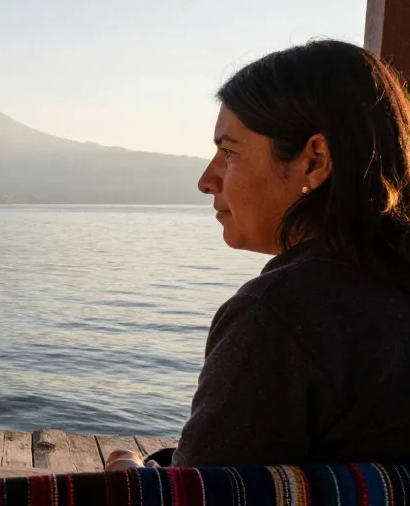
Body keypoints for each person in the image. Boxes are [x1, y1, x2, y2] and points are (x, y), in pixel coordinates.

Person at [109, 39, 410, 470]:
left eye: (228, 152)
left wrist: (133, 480)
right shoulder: (391, 290)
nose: (207, 180)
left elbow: (200, 498)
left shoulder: (281, 314)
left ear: (313, 161)